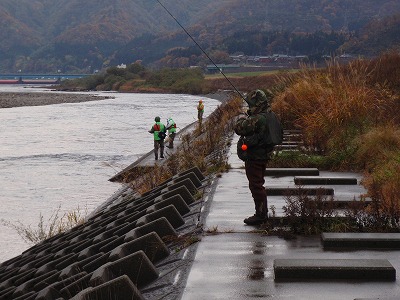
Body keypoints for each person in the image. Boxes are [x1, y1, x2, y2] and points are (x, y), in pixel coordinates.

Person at [234, 89, 283, 225]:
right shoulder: (271, 115)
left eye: (251, 104)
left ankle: (261, 215)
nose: (250, 107)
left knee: (256, 185)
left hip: (255, 156)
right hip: (264, 155)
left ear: (256, 103)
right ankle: (262, 213)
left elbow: (239, 128)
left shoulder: (258, 118)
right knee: (258, 184)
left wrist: (243, 118)